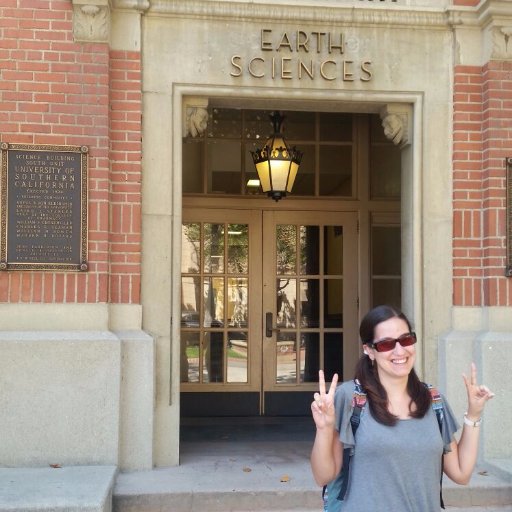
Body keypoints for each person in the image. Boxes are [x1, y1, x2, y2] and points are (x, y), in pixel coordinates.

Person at [310, 305, 495, 512]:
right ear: (369, 350)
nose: (400, 351)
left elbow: (461, 473)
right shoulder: (350, 397)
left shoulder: (434, 401)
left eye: (406, 340)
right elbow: (323, 476)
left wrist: (474, 414)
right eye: (386, 344)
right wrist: (324, 430)